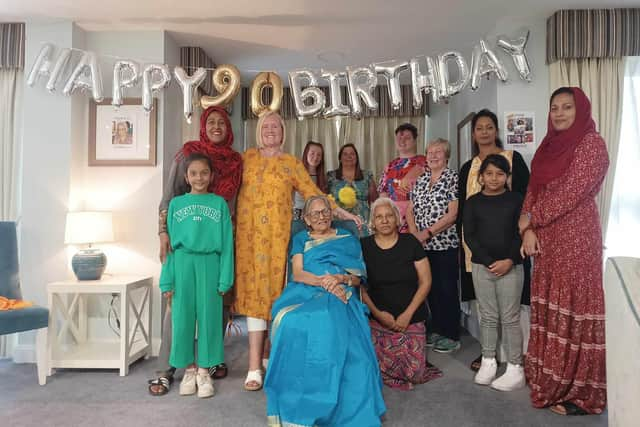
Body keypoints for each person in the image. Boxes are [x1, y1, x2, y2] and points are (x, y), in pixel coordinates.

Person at [234, 112, 361, 391]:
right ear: (258, 131)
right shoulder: (245, 159)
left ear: (283, 132)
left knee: (276, 298)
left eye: (275, 126)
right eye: (265, 126)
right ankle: (254, 367)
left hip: (278, 240)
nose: (270, 130)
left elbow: (314, 193)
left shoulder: (291, 163)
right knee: (255, 300)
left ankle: (269, 356)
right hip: (249, 240)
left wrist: (344, 213)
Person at [520, 87, 608, 416]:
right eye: (554, 107)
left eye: (566, 107)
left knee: (574, 311)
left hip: (577, 238)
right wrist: (527, 227)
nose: (558, 113)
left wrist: (532, 220)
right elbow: (533, 189)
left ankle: (580, 393)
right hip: (545, 240)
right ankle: (551, 378)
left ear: (580, 109)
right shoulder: (547, 146)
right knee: (550, 307)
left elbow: (571, 192)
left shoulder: (592, 144)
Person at [265, 195, 386, 426]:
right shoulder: (301, 238)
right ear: (307, 220)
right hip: (305, 290)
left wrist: (339, 279)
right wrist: (326, 283)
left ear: (331, 215)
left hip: (343, 292)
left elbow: (359, 279)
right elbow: (298, 273)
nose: (321, 217)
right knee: (291, 320)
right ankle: (298, 397)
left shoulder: (347, 238)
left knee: (328, 320)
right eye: (315, 214)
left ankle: (333, 403)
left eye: (325, 212)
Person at [149, 106, 242, 396]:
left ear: (229, 128)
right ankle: (167, 369)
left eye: (221, 123)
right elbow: (167, 199)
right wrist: (163, 231)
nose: (216, 127)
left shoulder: (235, 162)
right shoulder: (186, 154)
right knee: (176, 310)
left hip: (218, 243)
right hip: (184, 242)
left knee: (215, 310)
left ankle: (208, 364)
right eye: (210, 122)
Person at [457, 109, 530, 371]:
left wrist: (513, 254)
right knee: (485, 309)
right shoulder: (468, 167)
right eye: (479, 128)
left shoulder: (513, 158)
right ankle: (489, 355)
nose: (484, 132)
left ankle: (514, 360)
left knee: (511, 311)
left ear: (496, 131)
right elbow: (464, 216)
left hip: (510, 248)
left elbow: (526, 204)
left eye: (489, 127)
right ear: (474, 134)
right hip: (478, 252)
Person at [159, 153, 234, 398]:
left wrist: (225, 278)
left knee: (210, 318)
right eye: (193, 173)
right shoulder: (176, 205)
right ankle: (189, 369)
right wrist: (167, 279)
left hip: (210, 263)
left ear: (211, 176)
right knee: (181, 319)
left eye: (204, 173)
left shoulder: (219, 204)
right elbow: (169, 247)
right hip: (182, 263)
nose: (199, 177)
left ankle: (204, 370)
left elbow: (226, 244)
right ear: (186, 177)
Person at [361, 197, 442, 390]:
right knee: (376, 369)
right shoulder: (363, 246)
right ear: (372, 222)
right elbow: (359, 287)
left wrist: (407, 315)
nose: (385, 220)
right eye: (379, 217)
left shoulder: (410, 243)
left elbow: (426, 281)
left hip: (411, 316)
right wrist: (379, 314)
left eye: (389, 215)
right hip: (378, 318)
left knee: (414, 374)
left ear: (398, 219)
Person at [463, 155, 525, 391]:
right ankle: (488, 361)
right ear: (481, 177)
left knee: (510, 318)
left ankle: (515, 367)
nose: (494, 178)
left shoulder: (516, 200)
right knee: (487, 316)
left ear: (507, 177)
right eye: (489, 173)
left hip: (511, 266)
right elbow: (470, 236)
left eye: (500, 174)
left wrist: (508, 260)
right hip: (482, 267)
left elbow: (519, 233)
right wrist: (490, 262)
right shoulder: (473, 202)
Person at [407, 139, 460, 353]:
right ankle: (436, 330)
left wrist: (427, 233)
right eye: (430, 152)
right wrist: (413, 235)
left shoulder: (452, 178)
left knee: (446, 289)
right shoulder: (421, 179)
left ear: (447, 156)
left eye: (439, 152)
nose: (434, 155)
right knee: (428, 289)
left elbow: (453, 214)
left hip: (444, 244)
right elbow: (410, 210)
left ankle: (451, 334)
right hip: (421, 245)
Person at [378, 123, 426, 233]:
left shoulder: (426, 163)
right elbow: (383, 194)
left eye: (407, 138)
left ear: (415, 140)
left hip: (418, 218)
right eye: (399, 138)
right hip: (394, 219)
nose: (402, 141)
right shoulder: (389, 166)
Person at [327, 143, 378, 236]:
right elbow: (324, 199)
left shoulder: (367, 175)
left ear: (356, 157)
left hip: (363, 223)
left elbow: (375, 200)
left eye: (352, 154)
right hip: (338, 222)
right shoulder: (330, 176)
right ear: (340, 158)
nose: (349, 156)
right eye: (345, 154)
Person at [292, 141, 328, 220]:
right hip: (299, 215)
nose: (315, 157)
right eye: (312, 153)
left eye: (319, 155)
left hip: (318, 216)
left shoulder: (324, 177)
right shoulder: (296, 173)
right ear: (306, 154)